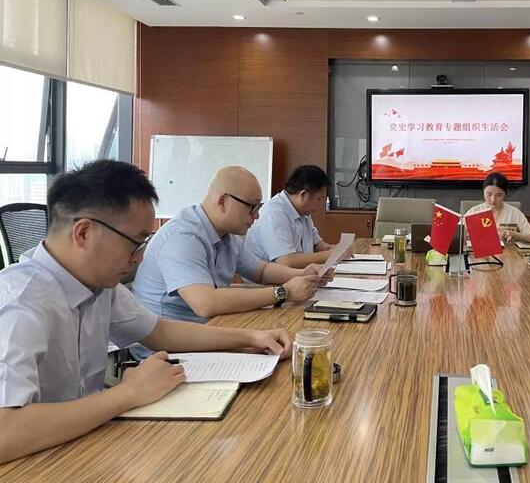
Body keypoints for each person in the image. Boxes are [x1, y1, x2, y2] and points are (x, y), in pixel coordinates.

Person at [0, 160, 293, 464]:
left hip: (83, 444)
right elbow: (5, 433)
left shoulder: (98, 284)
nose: (139, 258)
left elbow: (159, 332)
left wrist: (251, 338)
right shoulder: (20, 304)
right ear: (84, 233)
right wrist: (129, 393)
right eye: (135, 243)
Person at [133, 166, 321, 325]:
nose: (256, 216)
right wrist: (284, 292)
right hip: (168, 346)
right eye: (252, 207)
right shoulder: (183, 238)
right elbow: (206, 303)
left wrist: (302, 274)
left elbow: (261, 271)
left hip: (208, 328)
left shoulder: (228, 235)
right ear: (223, 201)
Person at [245, 165, 339, 268]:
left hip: (298, 274)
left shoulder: (303, 212)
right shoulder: (274, 214)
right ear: (303, 195)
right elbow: (286, 261)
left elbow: (317, 245)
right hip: (269, 278)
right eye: (319, 199)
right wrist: (330, 255)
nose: (320, 205)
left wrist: (334, 249)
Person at [464, 172, 530, 244]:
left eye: (498, 195)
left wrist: (517, 235)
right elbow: (460, 235)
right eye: (489, 194)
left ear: (505, 194)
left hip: (508, 251)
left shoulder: (514, 213)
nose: (493, 200)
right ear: (483, 192)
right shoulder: (474, 212)